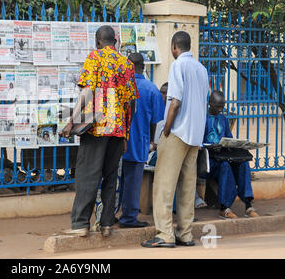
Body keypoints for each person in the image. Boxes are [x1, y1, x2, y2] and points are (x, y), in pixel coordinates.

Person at [60, 25, 139, 237]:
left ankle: (80, 224)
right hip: (118, 128)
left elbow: (88, 91)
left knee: (88, 175)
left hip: (97, 127)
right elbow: (131, 103)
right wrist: (126, 133)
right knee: (111, 176)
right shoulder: (127, 64)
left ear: (98, 41)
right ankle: (106, 224)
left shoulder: (94, 58)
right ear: (116, 42)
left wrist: (71, 121)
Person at [142, 31, 209, 248]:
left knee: (164, 184)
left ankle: (164, 234)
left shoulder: (178, 66)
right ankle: (185, 233)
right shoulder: (201, 69)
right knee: (188, 187)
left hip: (178, 132)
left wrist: (166, 130)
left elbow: (175, 102)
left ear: (174, 47)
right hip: (195, 135)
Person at [118, 53, 165, 228]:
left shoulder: (120, 85)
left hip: (116, 142)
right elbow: (156, 121)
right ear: (143, 66)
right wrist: (151, 142)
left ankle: (109, 215)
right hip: (139, 143)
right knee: (132, 182)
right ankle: (128, 217)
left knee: (114, 181)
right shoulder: (151, 89)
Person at [203, 90, 259, 219]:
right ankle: (224, 208)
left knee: (244, 164)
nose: (221, 109)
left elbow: (229, 138)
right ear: (210, 103)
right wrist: (210, 146)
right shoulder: (203, 119)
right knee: (225, 166)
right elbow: (198, 143)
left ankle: (248, 205)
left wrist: (235, 144)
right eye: (218, 106)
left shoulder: (223, 118)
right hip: (209, 160)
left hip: (224, 155)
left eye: (222, 107)